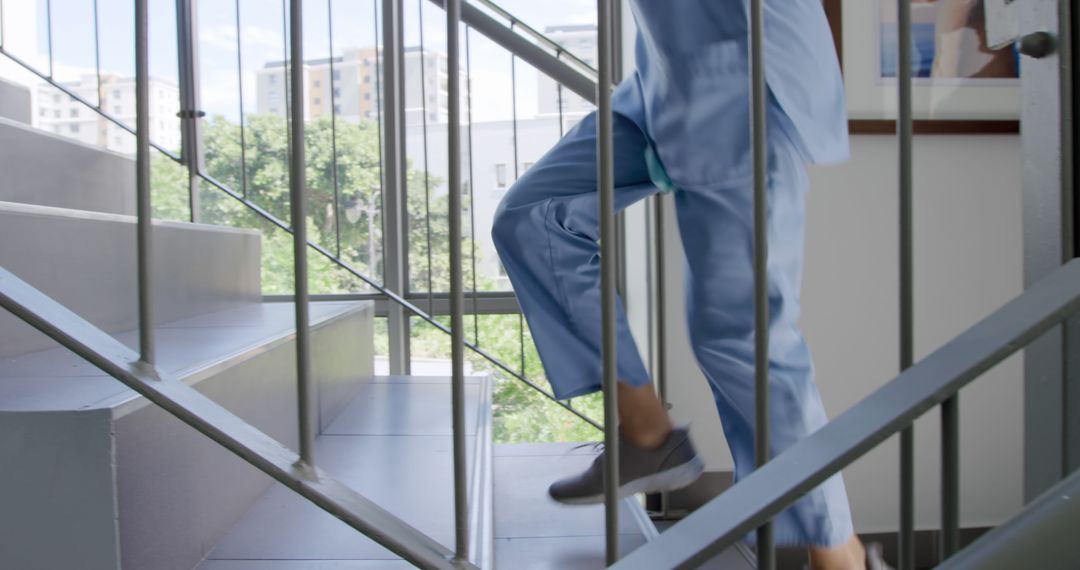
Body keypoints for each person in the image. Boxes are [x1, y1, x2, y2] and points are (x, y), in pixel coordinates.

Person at [491, 1, 885, 568]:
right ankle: (648, 433)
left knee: (741, 341)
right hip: (662, 80)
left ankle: (839, 557)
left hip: (746, 79)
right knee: (533, 217)